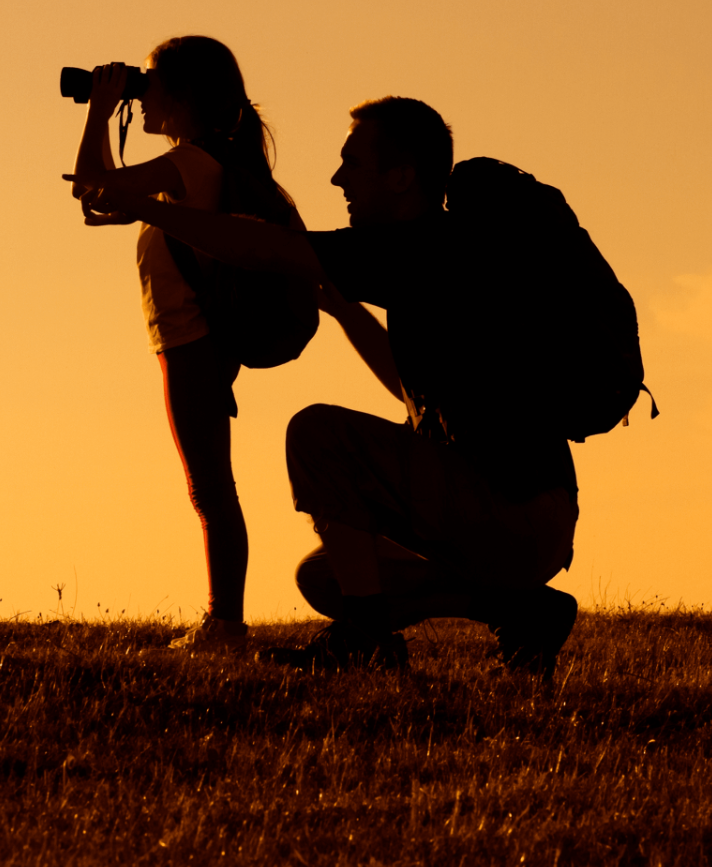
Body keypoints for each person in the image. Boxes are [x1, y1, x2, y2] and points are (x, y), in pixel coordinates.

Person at [82, 95, 582, 680]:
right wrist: (346, 313)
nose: (337, 178)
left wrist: (149, 209)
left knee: (317, 432)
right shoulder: (440, 255)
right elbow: (409, 386)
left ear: (400, 178)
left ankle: (368, 638)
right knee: (325, 576)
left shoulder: (418, 248)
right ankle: (520, 609)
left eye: (353, 163)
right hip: (528, 522)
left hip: (513, 515)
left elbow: (263, 249)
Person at [69, 36, 301, 654]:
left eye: (148, 84)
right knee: (210, 483)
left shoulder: (195, 161)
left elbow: (91, 183)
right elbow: (104, 199)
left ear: (184, 95)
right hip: (196, 339)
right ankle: (224, 619)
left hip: (191, 340)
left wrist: (98, 109)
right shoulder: (205, 161)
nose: (139, 97)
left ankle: (224, 623)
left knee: (209, 486)